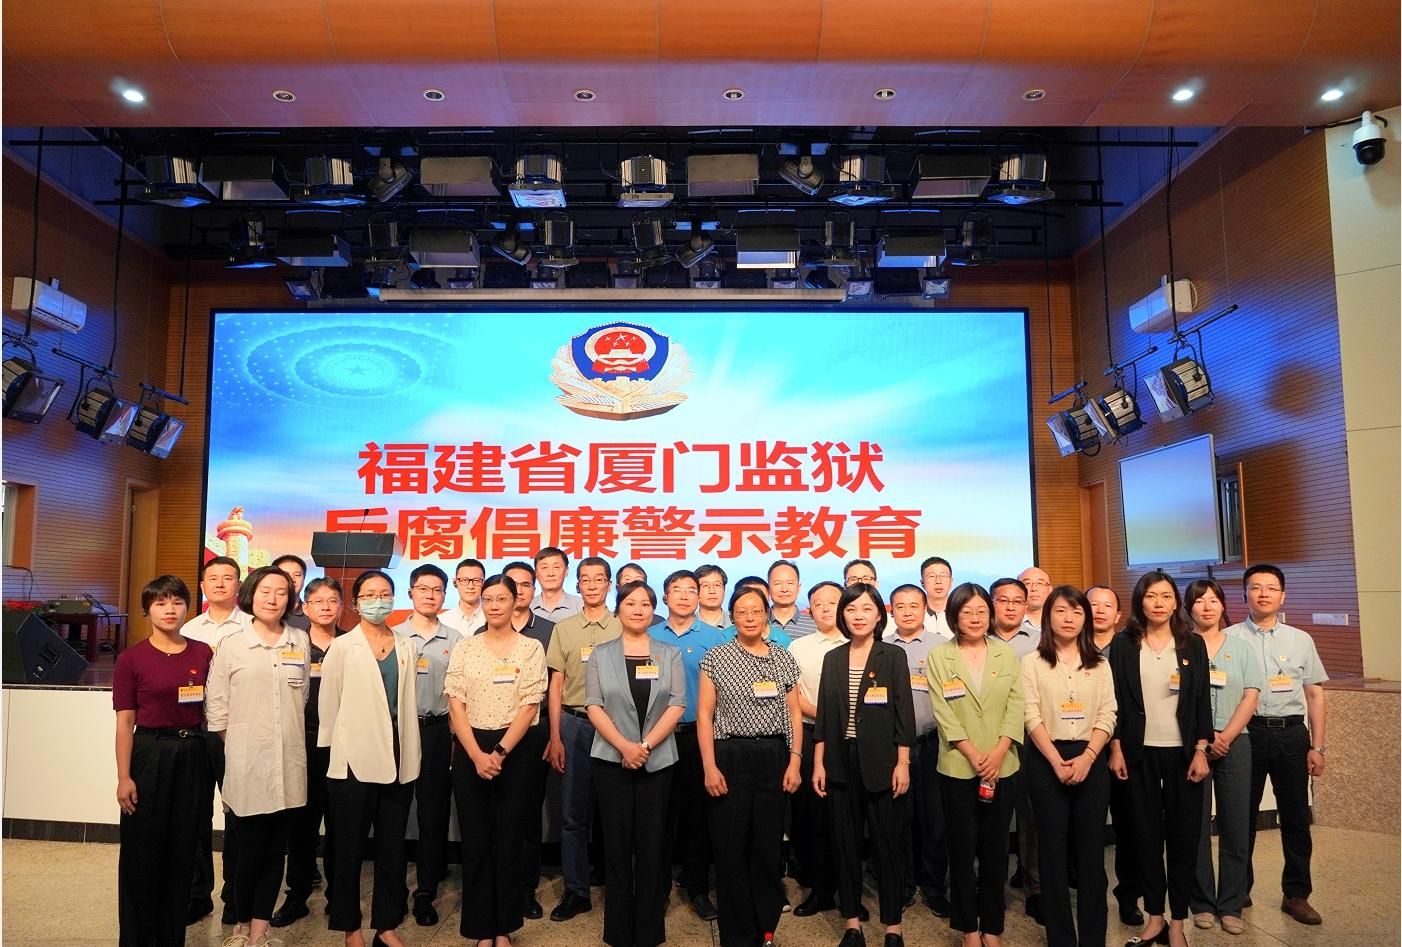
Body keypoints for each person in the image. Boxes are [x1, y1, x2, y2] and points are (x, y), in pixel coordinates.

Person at [205, 566, 311, 947]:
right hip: (247, 764)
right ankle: (241, 926)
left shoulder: (299, 639)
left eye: (281, 592)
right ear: (251, 594)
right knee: (248, 851)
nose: (273, 598)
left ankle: (260, 933)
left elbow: (302, 696)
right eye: (265, 591)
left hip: (288, 762)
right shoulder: (233, 644)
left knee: (275, 851)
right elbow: (217, 708)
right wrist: (243, 744)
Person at [1107, 571, 1212, 947]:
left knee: (1184, 838)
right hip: (1138, 753)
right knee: (1145, 837)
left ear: (1175, 602)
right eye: (1151, 596)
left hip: (1184, 754)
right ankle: (1155, 917)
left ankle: (1178, 921)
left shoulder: (1192, 644)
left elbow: (1202, 700)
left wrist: (1202, 749)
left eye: (1166, 596)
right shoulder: (1123, 644)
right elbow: (1114, 699)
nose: (1158, 603)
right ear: (1140, 601)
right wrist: (1116, 747)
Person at [319, 569, 421, 947]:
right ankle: (350, 927)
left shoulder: (406, 645)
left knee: (392, 847)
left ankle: (386, 925)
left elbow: (406, 704)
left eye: (385, 594)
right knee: (349, 848)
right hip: (353, 761)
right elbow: (329, 707)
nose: (378, 601)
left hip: (398, 756)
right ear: (356, 603)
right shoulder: (343, 647)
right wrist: (335, 758)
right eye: (369, 595)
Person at [445, 574, 548, 947]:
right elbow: (455, 701)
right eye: (487, 599)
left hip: (515, 751)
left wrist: (500, 752)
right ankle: (479, 928)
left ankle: (503, 926)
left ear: (515, 600)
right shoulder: (465, 648)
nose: (493, 605)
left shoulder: (531, 648)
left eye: (501, 598)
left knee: (508, 839)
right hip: (471, 747)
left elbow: (530, 704)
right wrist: (476, 754)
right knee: (475, 840)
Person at [698, 584, 803, 947]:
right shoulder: (716, 657)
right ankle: (737, 935)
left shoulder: (783, 657)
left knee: (767, 847)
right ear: (733, 617)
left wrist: (795, 761)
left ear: (766, 615)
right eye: (741, 612)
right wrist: (709, 766)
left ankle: (766, 930)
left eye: (756, 611)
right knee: (731, 848)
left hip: (774, 756)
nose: (749, 617)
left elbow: (794, 713)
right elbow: (704, 715)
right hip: (730, 755)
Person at [813, 582, 915, 947]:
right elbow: (824, 716)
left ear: (878, 615)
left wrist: (903, 762)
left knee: (888, 845)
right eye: (851, 609)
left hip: (883, 762)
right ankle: (852, 924)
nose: (858, 616)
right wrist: (819, 763)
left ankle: (893, 927)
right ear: (843, 615)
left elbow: (903, 712)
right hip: (841, 761)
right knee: (845, 845)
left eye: (866, 609)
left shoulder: (893, 656)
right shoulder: (833, 658)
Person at [115, 575, 214, 946]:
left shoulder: (203, 653)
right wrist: (124, 777)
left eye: (176, 602)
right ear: (147, 611)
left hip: (193, 754)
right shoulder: (132, 658)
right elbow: (125, 724)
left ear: (187, 607)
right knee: (142, 851)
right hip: (150, 754)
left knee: (183, 850)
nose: (170, 609)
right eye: (160, 603)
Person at [1226, 564, 1328, 926]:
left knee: (1296, 816)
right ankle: (1238, 890)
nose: (1263, 593)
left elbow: (1314, 694)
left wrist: (1318, 746)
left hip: (1291, 735)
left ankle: (1296, 894)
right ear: (1244, 594)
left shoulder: (1301, 639)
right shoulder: (1227, 638)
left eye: (1271, 588)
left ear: (1283, 596)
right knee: (1241, 816)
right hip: (1246, 733)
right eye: (1256, 587)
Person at [587, 581, 687, 947]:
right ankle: (618, 931)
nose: (638, 609)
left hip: (657, 761)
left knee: (652, 846)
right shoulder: (600, 654)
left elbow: (677, 704)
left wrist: (643, 746)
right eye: (630, 603)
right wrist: (624, 747)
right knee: (615, 846)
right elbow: (593, 705)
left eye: (645, 604)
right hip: (611, 760)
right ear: (618, 610)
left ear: (653, 610)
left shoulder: (668, 653)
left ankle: (648, 930)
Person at [927, 582, 1024, 947]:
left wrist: (999, 752)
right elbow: (943, 712)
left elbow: (1016, 705)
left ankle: (992, 928)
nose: (975, 618)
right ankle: (969, 928)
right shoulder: (940, 656)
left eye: (981, 611)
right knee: (962, 850)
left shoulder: (1006, 654)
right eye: (966, 612)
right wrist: (971, 753)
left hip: (1002, 764)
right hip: (957, 765)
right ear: (954, 616)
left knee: (996, 851)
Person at [1021, 585, 1117, 947]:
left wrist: (1089, 757)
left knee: (1091, 852)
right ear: (1048, 616)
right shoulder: (1032, 662)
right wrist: (1055, 761)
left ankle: (1093, 938)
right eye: (1061, 611)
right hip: (1047, 758)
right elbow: (1030, 714)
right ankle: (1060, 938)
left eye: (1077, 612)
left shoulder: (1100, 663)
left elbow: (1108, 713)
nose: (1069, 618)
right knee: (1052, 851)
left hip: (1090, 757)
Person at [545, 556, 621, 921]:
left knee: (615, 813)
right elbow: (556, 685)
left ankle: (618, 888)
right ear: (578, 585)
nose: (592, 585)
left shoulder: (623, 625)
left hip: (615, 727)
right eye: (585, 580)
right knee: (573, 814)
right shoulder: (564, 629)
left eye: (599, 579)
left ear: (609, 585)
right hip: (574, 725)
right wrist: (555, 735)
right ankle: (576, 891)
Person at [648, 569, 727, 921]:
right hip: (656, 737)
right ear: (665, 597)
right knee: (658, 817)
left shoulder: (716, 638)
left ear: (699, 597)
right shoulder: (648, 635)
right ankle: (657, 891)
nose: (683, 595)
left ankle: (697, 888)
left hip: (699, 736)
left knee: (698, 817)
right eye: (676, 589)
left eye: (690, 590)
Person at [1185, 579, 1261, 935]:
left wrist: (1225, 737)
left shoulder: (1242, 647)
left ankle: (1231, 904)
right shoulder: (1180, 646)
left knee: (1236, 824)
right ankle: (1201, 902)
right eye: (1199, 600)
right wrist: (1203, 739)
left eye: (1213, 600)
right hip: (1192, 745)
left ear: (1223, 605)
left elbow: (1251, 696)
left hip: (1235, 743)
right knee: (1195, 825)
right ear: (1188, 607)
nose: (1207, 606)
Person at [273, 577, 344, 928]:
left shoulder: (351, 644)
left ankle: (339, 897)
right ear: (305, 606)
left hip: (342, 744)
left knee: (341, 825)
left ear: (341, 606)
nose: (326, 607)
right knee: (301, 824)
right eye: (318, 601)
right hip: (302, 742)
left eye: (333, 600)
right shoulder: (292, 644)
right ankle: (297, 895)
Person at [393, 564, 461, 926]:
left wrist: (455, 738)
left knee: (433, 815)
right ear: (411, 593)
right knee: (394, 813)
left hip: (437, 732)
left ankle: (425, 892)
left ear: (444, 595)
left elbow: (460, 696)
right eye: (423, 589)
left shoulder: (456, 640)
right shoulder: (393, 636)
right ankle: (392, 892)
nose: (430, 595)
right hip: (399, 732)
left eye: (437, 590)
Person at [183, 556, 250, 926]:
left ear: (239, 584)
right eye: (213, 578)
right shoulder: (189, 628)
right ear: (203, 586)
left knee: (237, 811)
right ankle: (197, 895)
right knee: (195, 814)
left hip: (235, 732)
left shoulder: (251, 627)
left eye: (228, 578)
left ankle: (235, 895)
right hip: (196, 730)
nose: (221, 584)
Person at [885, 583, 951, 916]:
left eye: (914, 605)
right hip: (895, 748)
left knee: (935, 820)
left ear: (925, 608)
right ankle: (904, 884)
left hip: (935, 744)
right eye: (900, 606)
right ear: (891, 610)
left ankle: (934, 887)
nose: (908, 611)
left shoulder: (943, 646)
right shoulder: (882, 647)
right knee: (900, 819)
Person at [787, 581, 849, 918]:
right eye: (818, 603)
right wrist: (827, 717)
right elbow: (793, 695)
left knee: (849, 815)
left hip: (853, 737)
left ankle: (849, 892)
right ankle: (820, 890)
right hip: (811, 734)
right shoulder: (800, 646)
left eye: (833, 602)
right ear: (809, 609)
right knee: (815, 816)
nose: (826, 608)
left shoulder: (859, 642)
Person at [501, 560, 556, 919]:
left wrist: (555, 734)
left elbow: (557, 687)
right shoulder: (485, 629)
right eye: (513, 585)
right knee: (498, 814)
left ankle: (525, 890)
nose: (519, 591)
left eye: (525, 585)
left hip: (535, 731)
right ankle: (498, 885)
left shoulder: (550, 631)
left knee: (528, 814)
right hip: (492, 733)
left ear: (533, 590)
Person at [1088, 584, 1144, 926]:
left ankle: (1128, 897)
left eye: (1107, 605)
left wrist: (1117, 745)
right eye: (1092, 604)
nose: (1099, 610)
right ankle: (1089, 894)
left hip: (1126, 750)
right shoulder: (1072, 646)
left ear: (1118, 614)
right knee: (1087, 829)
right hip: (1084, 749)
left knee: (1129, 826)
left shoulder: (1131, 647)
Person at [989, 576, 1040, 921]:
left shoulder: (1041, 641)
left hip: (1031, 738)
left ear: (1026, 605)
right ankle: (989, 886)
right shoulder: (975, 639)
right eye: (1002, 600)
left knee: (1031, 817)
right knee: (990, 817)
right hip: (988, 742)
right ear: (991, 603)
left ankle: (1035, 888)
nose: (1010, 607)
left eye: (1017, 601)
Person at [532, 546, 583, 623]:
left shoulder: (581, 606)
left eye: (556, 567)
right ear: (536, 573)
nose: (550, 573)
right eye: (544, 567)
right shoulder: (527, 607)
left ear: (566, 571)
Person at [769, 560, 817, 639]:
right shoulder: (757, 623)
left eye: (790, 583)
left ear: (798, 588)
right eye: (777, 583)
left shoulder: (815, 625)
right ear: (769, 588)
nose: (784, 589)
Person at [440, 558, 487, 636]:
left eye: (476, 580)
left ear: (484, 584)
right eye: (464, 580)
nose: (470, 586)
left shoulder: (493, 618)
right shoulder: (442, 621)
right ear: (455, 583)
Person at [272, 554, 311, 631]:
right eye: (286, 574)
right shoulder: (265, 611)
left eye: (297, 575)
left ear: (304, 579)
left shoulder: (311, 614)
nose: (292, 579)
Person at [919, 557, 954, 640]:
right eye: (931, 576)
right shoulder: (915, 616)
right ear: (922, 583)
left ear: (951, 581)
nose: (938, 581)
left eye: (943, 576)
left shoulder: (961, 613)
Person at [696, 564, 731, 630]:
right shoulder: (686, 623)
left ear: (724, 590)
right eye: (705, 585)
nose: (712, 591)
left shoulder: (737, 622)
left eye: (717, 585)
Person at [1018, 568, 1052, 634]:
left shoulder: (1060, 622)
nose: (1034, 588)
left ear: (1050, 589)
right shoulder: (1008, 623)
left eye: (1040, 583)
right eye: (1027, 583)